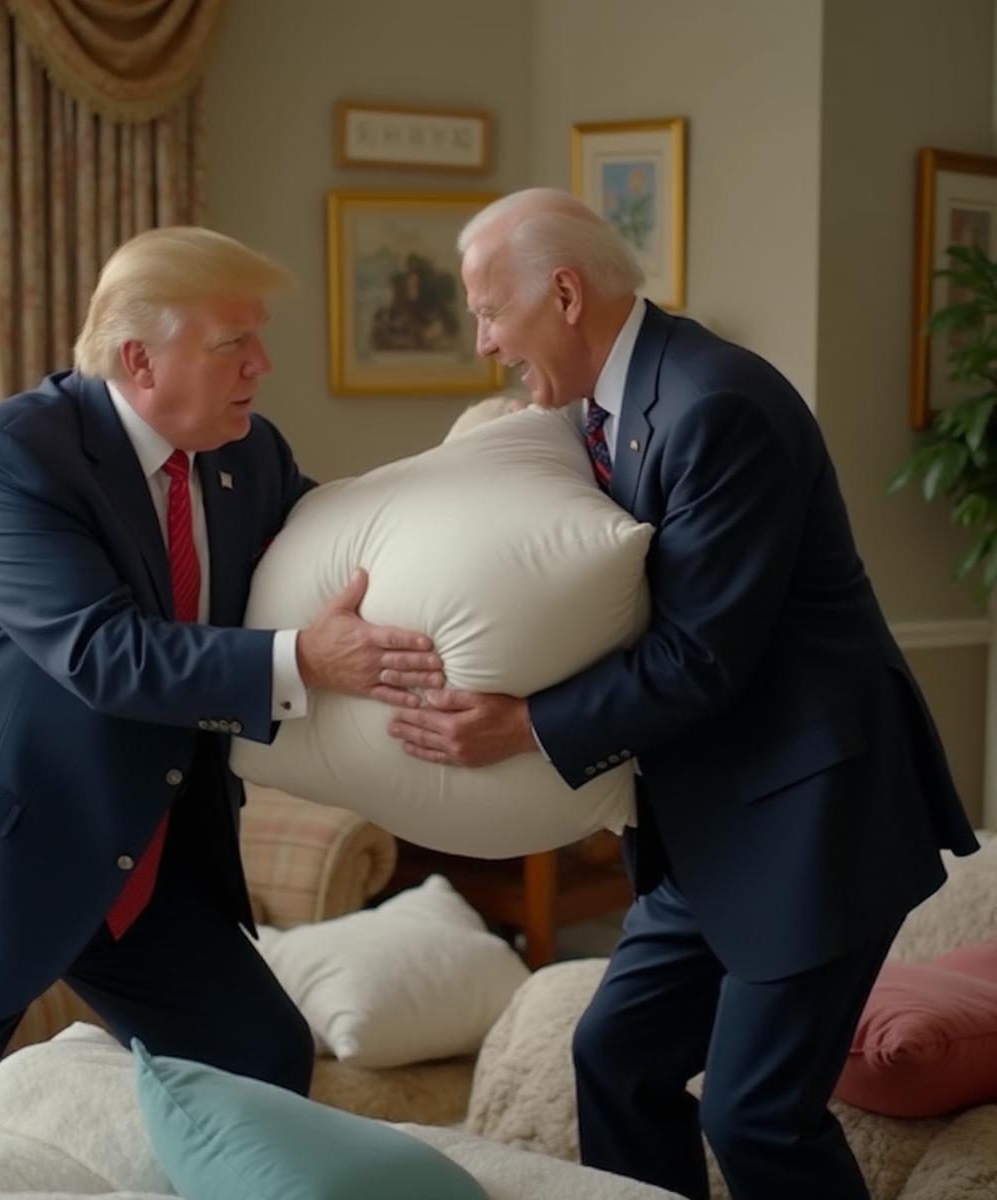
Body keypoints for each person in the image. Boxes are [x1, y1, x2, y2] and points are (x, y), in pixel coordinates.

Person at [0, 226, 443, 1192]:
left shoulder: (246, 454)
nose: (262, 366)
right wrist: (305, 660)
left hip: (135, 858)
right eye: (236, 344)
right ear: (140, 360)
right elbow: (100, 653)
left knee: (260, 1058)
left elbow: (341, 536)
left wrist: (470, 470)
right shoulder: (8, 459)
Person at [387, 188, 979, 1200]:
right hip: (713, 825)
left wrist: (524, 725)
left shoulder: (717, 406)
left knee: (757, 1117)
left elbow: (704, 656)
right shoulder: (607, 409)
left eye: (490, 311)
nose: (483, 341)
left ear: (565, 294)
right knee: (615, 1058)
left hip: (813, 817)